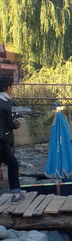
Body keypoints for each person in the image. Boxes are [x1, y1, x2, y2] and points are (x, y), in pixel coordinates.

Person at [0, 75, 23, 203]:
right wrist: (17, 123)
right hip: (3, 140)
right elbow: (10, 123)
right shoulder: (6, 102)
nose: (12, 89)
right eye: (11, 87)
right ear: (7, 88)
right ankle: (15, 194)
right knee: (13, 165)